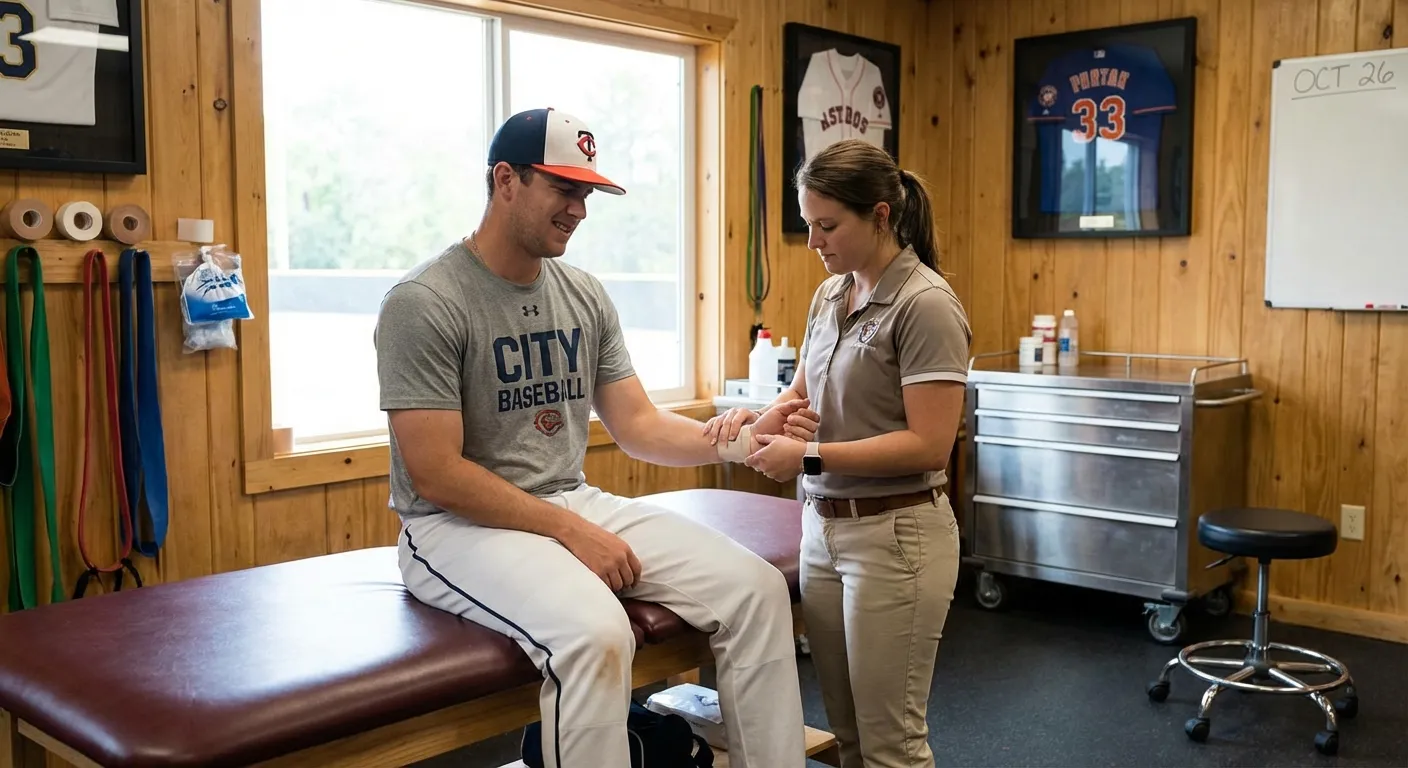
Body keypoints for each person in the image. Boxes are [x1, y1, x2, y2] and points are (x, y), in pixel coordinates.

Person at [374, 107, 820, 768]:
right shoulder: (425, 301)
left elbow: (637, 425)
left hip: (565, 499)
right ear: (505, 180)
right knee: (595, 633)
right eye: (563, 188)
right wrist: (569, 530)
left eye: (585, 193)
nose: (579, 208)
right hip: (452, 528)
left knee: (754, 591)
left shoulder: (582, 294)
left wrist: (735, 439)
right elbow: (436, 472)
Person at [704, 138, 971, 768]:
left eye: (828, 226)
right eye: (807, 225)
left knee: (890, 746)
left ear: (880, 216)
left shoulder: (924, 304)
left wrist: (809, 459)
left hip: (897, 536)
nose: (814, 242)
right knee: (846, 737)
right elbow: (807, 388)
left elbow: (929, 443)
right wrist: (766, 417)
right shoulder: (833, 295)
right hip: (823, 531)